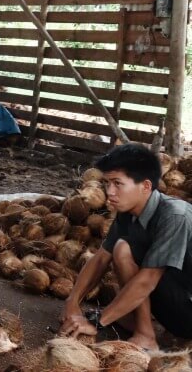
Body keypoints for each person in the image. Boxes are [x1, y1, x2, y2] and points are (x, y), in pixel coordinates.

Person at [59, 143, 192, 350]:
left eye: (117, 183)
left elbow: (148, 280)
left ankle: (146, 335)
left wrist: (96, 322)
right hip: (177, 297)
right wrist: (73, 300)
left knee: (127, 252)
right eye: (107, 183)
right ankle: (139, 325)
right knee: (121, 248)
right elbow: (101, 258)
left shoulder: (175, 216)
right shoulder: (127, 211)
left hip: (187, 310)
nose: (110, 192)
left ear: (145, 186)